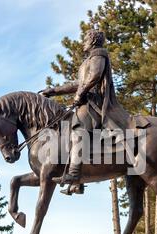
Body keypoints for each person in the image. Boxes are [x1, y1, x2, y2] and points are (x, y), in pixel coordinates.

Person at [39, 29, 130, 194]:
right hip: (87, 101)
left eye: (86, 39)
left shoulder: (98, 56)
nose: (83, 42)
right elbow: (78, 84)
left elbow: (94, 77)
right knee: (66, 128)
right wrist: (54, 91)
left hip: (95, 103)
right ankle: (77, 179)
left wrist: (80, 95)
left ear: (93, 41)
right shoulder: (88, 60)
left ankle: (74, 175)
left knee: (78, 129)